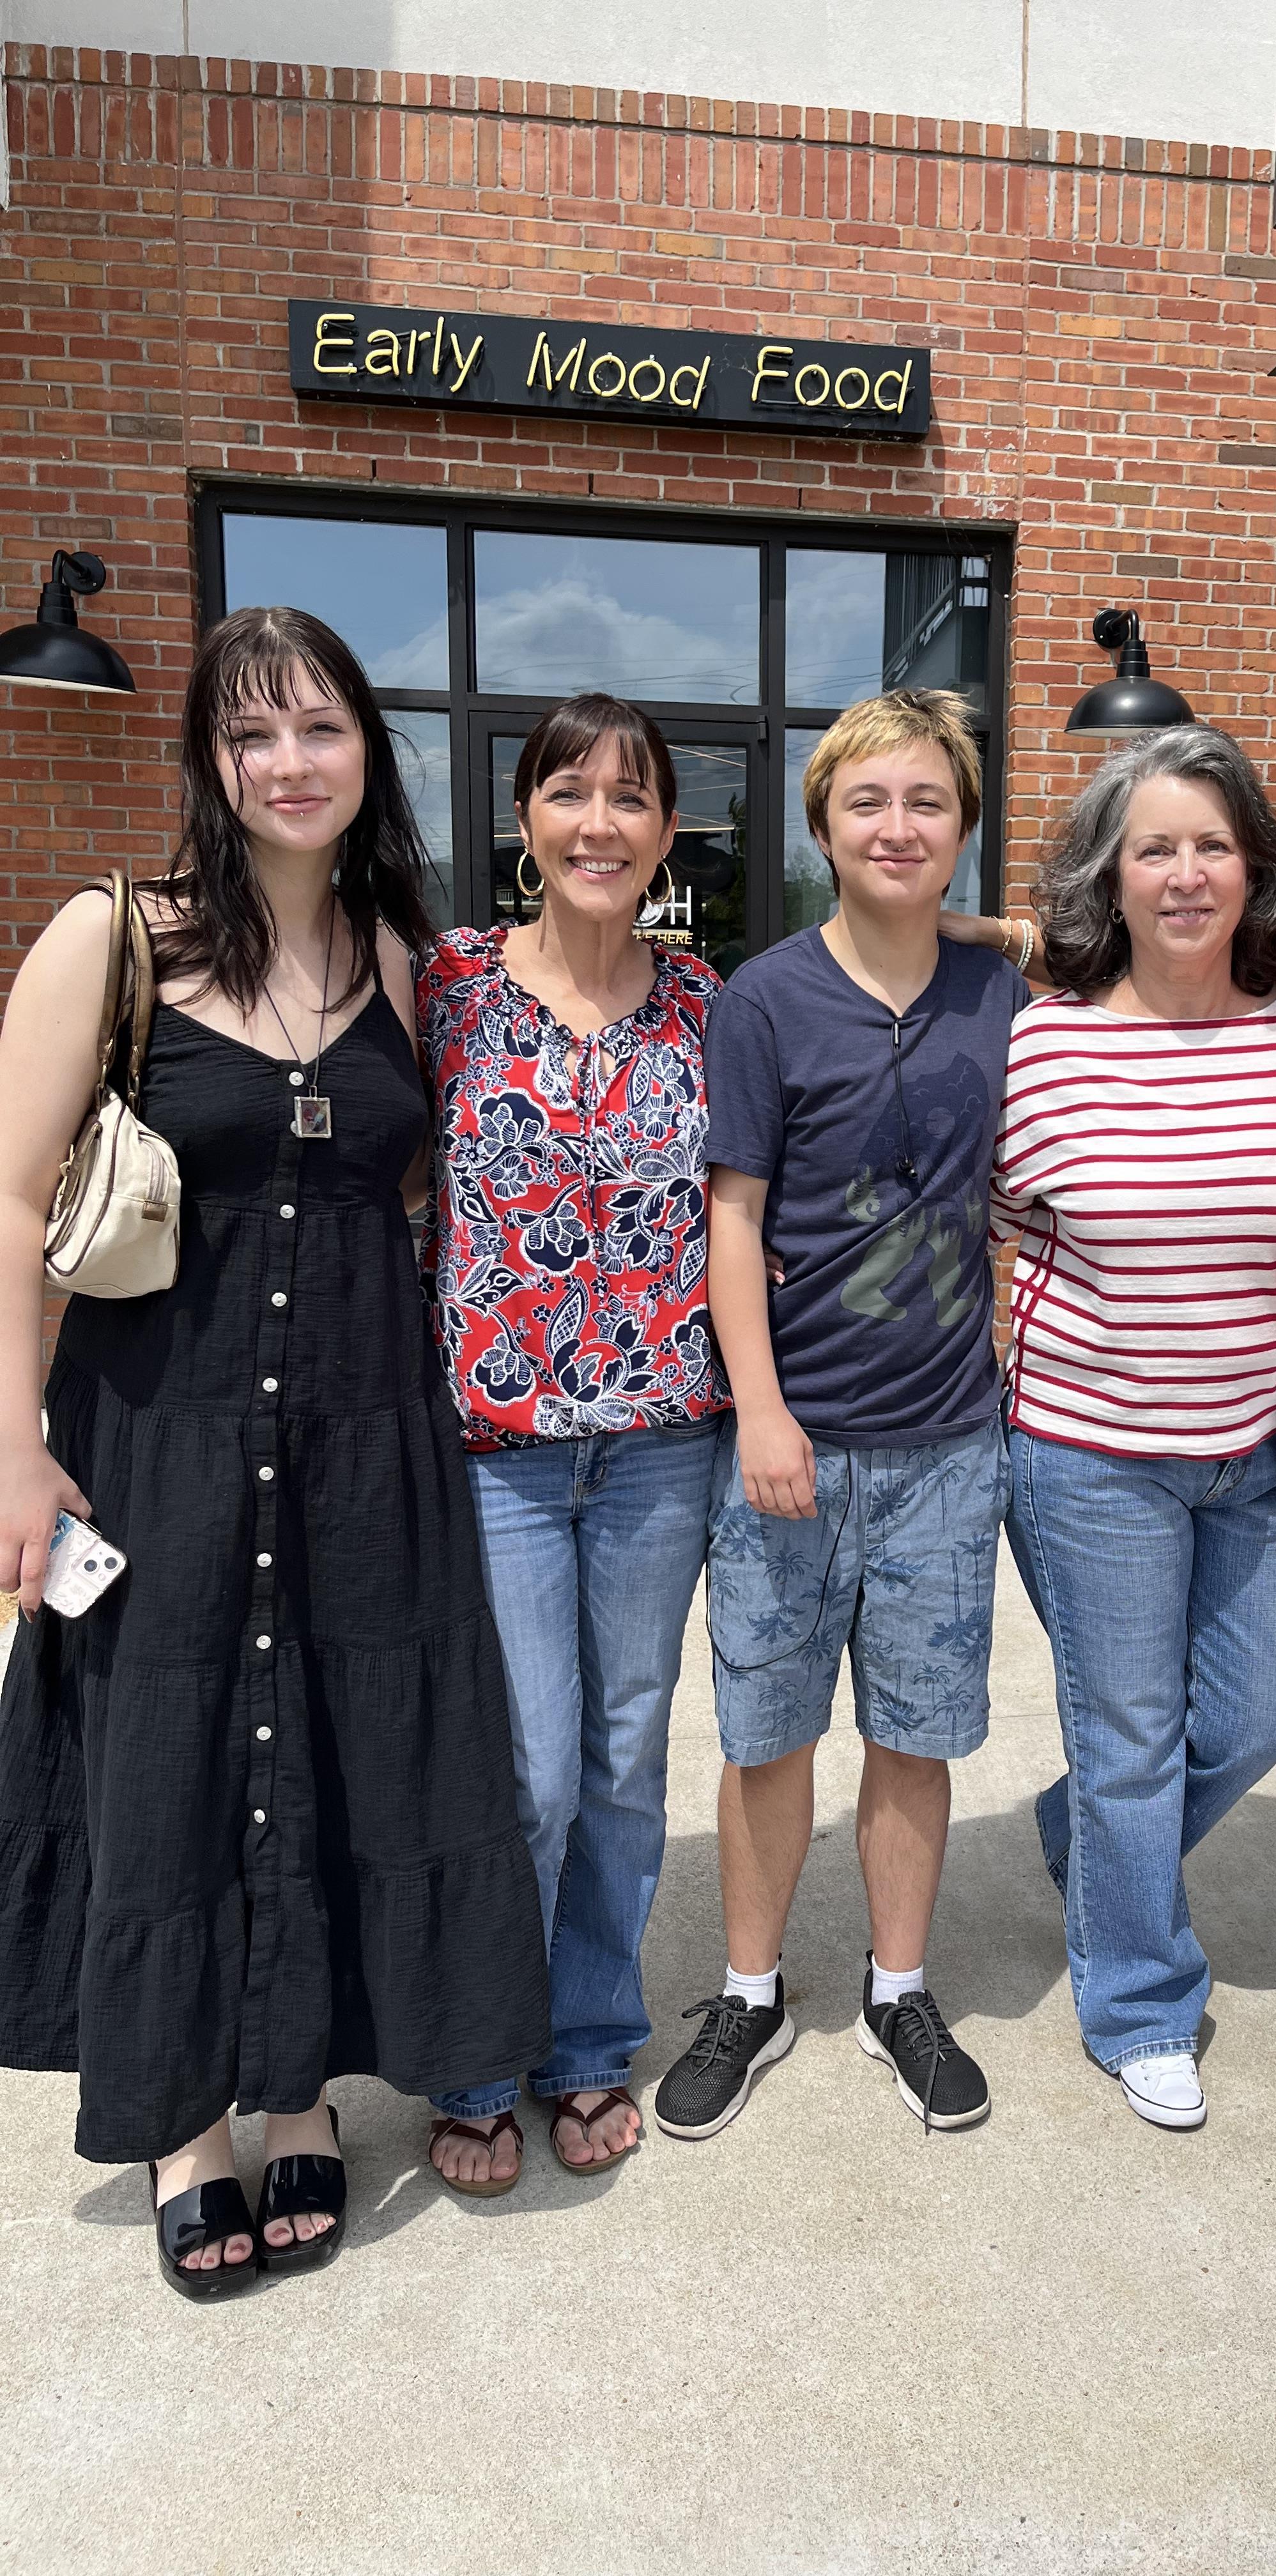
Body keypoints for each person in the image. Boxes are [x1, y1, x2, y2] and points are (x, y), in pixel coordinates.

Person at [0, 606, 550, 2298]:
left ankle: (299, 2081)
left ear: (366, 750)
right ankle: (182, 2125)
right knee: (159, 1765)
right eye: (252, 737)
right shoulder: (120, 937)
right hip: (157, 1425)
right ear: (210, 763)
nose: (290, 764)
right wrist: (14, 1450)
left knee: (329, 1740)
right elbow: (15, 1201)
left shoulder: (399, 949)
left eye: (318, 728)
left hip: (362, 1438)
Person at [651, 689, 1029, 2142]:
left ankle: (900, 1985)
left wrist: (1003, 936)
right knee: (767, 1733)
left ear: (962, 829)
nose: (897, 826)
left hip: (946, 1438)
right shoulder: (764, 1000)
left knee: (917, 1733)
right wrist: (760, 1411)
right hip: (793, 1439)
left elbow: (1079, 956)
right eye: (867, 802)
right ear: (822, 825)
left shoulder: (1006, 987)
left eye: (927, 802)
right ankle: (748, 1991)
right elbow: (729, 1217)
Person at [416, 694, 731, 2193]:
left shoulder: (712, 1007)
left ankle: (591, 2040)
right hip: (503, 1452)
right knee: (530, 1762)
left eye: (631, 798)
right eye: (568, 793)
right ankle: (482, 2051)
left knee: (622, 1755)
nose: (599, 821)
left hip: (666, 1446)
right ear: (525, 821)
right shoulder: (451, 988)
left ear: (670, 833)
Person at [987, 726, 1276, 2129]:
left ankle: (1082, 1842)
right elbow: (992, 1234)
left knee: (1256, 1715)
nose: (1184, 875)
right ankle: (1138, 2002)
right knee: (1129, 1735)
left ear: (1252, 867)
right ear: (1108, 879)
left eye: (1210, 844)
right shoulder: (1045, 1045)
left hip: (1253, 1456)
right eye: (1153, 849)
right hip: (1087, 1453)